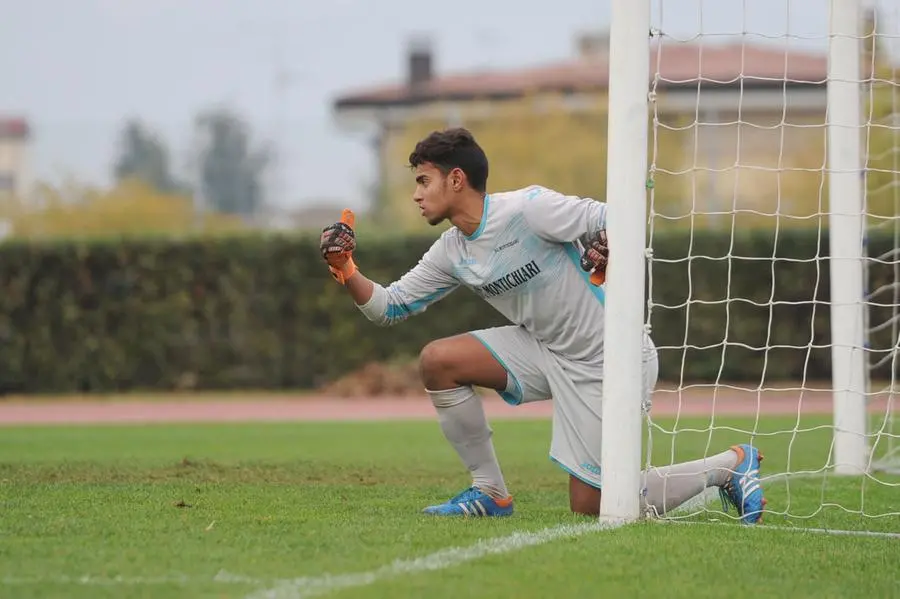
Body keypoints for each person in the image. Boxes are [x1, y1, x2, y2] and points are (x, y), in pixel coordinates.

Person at [319, 127, 766, 524]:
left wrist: (606, 242)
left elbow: (617, 217)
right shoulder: (451, 250)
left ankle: (727, 465)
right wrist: (346, 268)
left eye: (423, 181)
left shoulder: (528, 209)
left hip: (607, 360)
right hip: (544, 350)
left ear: (456, 179)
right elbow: (389, 306)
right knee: (439, 361)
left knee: (592, 506)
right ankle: (490, 493)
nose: (416, 195)